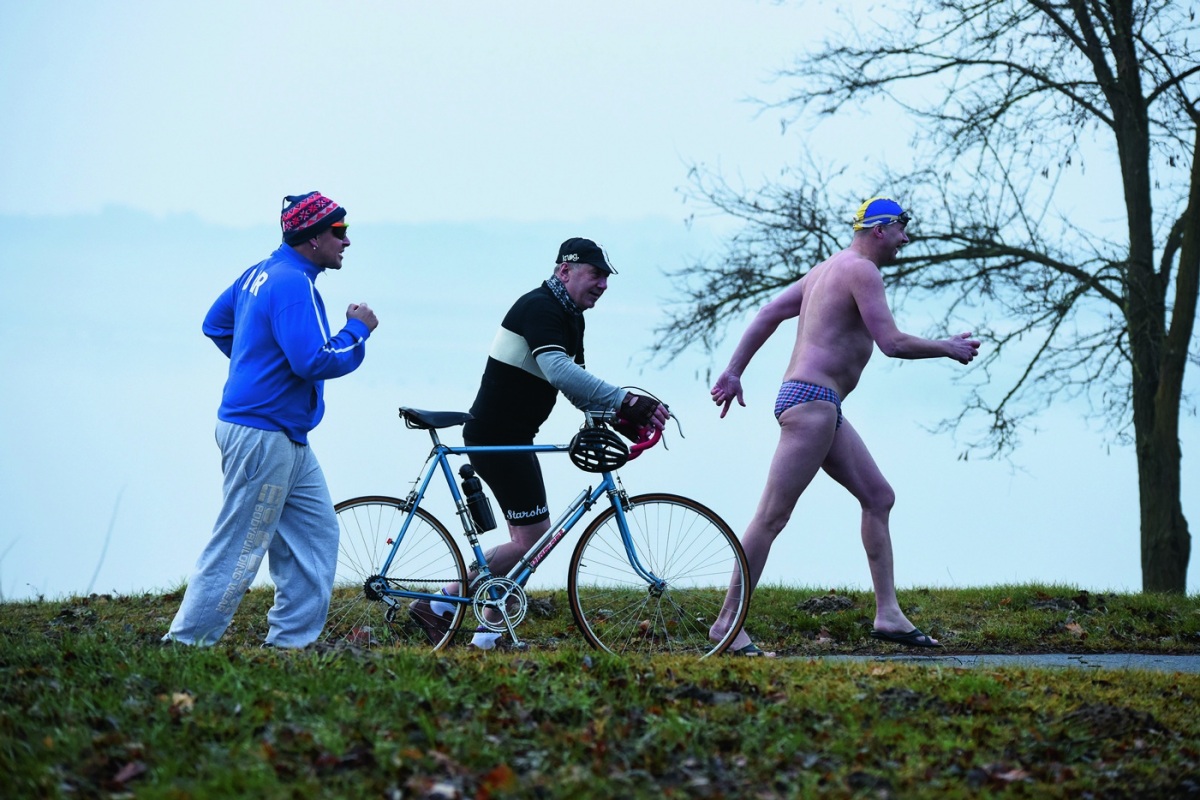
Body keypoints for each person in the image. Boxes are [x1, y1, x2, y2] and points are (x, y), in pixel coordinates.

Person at [708, 197, 980, 655]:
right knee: (772, 516)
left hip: (819, 404)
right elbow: (891, 343)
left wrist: (735, 370)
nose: (906, 239)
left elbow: (768, 312)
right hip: (811, 403)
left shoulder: (825, 269)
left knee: (878, 497)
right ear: (880, 229)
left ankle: (889, 614)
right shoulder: (861, 270)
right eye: (901, 230)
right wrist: (947, 347)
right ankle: (726, 624)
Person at [412, 237, 669, 649]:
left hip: (512, 436)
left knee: (527, 541)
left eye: (606, 277)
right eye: (595, 274)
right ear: (564, 271)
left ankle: (477, 628)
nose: (603, 284)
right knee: (531, 540)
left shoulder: (570, 317)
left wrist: (617, 419)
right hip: (498, 436)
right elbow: (560, 370)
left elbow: (575, 388)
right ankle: (446, 608)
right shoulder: (540, 308)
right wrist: (625, 400)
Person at [164, 191, 379, 648]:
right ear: (312, 237)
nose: (347, 241)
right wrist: (357, 330)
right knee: (240, 545)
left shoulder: (260, 273)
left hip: (283, 433)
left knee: (315, 535)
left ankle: (290, 644)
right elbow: (315, 360)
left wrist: (257, 363)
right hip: (262, 433)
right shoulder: (292, 283)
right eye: (339, 231)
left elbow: (217, 324)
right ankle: (184, 645)